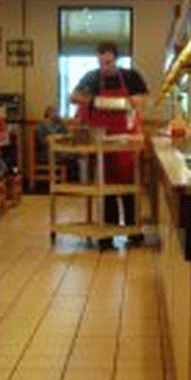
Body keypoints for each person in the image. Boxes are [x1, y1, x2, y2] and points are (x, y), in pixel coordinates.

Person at [70, 41, 148, 249]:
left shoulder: (131, 77)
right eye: (101, 61)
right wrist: (95, 101)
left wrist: (116, 104)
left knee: (129, 186)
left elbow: (139, 102)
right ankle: (108, 233)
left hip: (127, 141)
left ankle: (133, 231)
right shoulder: (91, 77)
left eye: (109, 61)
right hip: (101, 141)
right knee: (106, 188)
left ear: (117, 58)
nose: (105, 65)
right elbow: (74, 96)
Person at [36, 105, 79, 182]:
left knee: (74, 155)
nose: (56, 113)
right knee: (65, 155)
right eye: (54, 111)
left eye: (57, 111)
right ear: (48, 113)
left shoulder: (59, 123)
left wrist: (65, 136)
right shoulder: (42, 125)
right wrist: (53, 138)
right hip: (47, 149)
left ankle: (72, 181)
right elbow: (42, 140)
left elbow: (68, 133)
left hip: (61, 147)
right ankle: (61, 182)